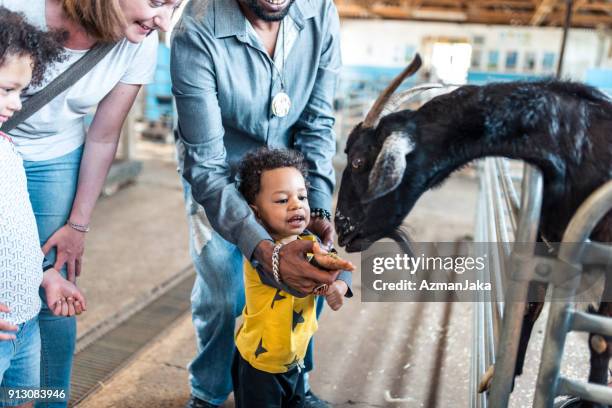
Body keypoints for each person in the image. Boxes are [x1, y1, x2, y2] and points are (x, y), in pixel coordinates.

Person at [0, 1, 181, 406]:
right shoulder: (16, 8)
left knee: (50, 287)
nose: (164, 20)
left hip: (55, 155)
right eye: (155, 1)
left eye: (174, 4)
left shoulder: (140, 42)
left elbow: (103, 135)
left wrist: (77, 225)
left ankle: (47, 400)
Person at [171, 0, 343, 406]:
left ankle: (294, 385)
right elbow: (208, 166)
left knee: (308, 279)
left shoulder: (320, 13)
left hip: (290, 181)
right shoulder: (196, 31)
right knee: (225, 289)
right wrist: (262, 249)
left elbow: (317, 125)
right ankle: (209, 391)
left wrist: (316, 208)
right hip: (221, 178)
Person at [0, 7, 87, 407]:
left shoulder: (8, 150)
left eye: (20, 91)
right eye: (6, 90)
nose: (16, 104)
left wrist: (44, 275)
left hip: (27, 324)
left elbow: (13, 237)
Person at [232, 148, 353, 407]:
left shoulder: (311, 241)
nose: (297, 205)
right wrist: (324, 276)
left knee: (295, 401)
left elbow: (340, 267)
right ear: (256, 212)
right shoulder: (261, 254)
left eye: (302, 196)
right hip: (260, 364)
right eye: (281, 200)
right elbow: (291, 280)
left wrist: (340, 285)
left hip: (296, 354)